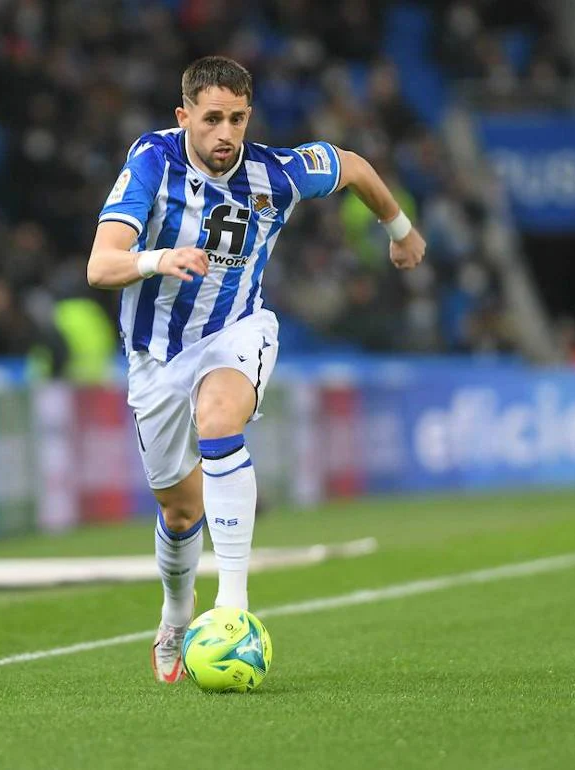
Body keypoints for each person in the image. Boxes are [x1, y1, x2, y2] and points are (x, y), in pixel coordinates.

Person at [86, 56, 426, 683]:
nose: (225, 133)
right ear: (183, 116)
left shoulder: (277, 173)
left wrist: (399, 228)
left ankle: (233, 607)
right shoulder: (153, 164)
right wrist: (159, 259)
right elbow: (100, 266)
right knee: (179, 510)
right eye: (212, 118)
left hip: (237, 331)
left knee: (219, 419)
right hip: (156, 356)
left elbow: (350, 165)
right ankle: (175, 612)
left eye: (237, 119)